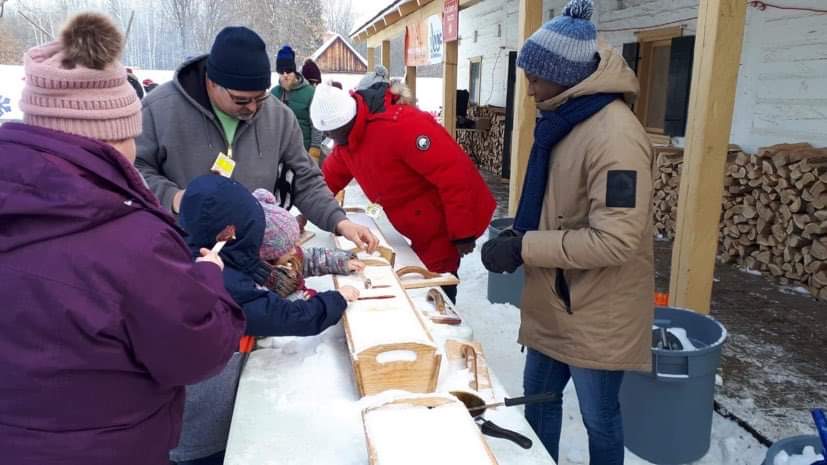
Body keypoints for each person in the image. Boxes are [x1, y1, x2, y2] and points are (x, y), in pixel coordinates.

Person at [0, 13, 245, 465]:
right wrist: (209, 280)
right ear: (110, 136)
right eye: (130, 135)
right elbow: (197, 352)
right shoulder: (133, 240)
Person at [480, 1, 654, 464]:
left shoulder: (616, 137)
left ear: (568, 75)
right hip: (556, 299)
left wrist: (526, 246)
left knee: (600, 418)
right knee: (538, 400)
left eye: (536, 78)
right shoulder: (565, 118)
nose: (530, 88)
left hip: (597, 309)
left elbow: (617, 239)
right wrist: (516, 234)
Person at [171, 174, 359, 465]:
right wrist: (337, 300)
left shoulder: (199, 259)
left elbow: (288, 268)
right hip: (202, 425)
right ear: (237, 233)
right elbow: (288, 316)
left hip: (186, 412)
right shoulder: (225, 283)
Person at [135, 27, 376, 251]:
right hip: (182, 255)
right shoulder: (159, 110)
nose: (252, 108)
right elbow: (132, 171)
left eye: (259, 98)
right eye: (241, 100)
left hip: (254, 258)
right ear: (211, 82)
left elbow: (305, 179)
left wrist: (340, 221)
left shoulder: (279, 117)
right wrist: (173, 198)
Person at [311, 82, 496, 303]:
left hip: (442, 220)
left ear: (348, 121)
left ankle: (444, 323)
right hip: (415, 220)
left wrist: (463, 232)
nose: (331, 137)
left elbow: (454, 173)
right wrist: (307, 208)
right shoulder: (347, 141)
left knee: (436, 283)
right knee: (416, 282)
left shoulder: (403, 125)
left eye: (334, 131)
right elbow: (327, 180)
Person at [253, 189, 364, 300]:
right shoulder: (260, 288)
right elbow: (289, 312)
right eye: (288, 248)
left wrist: (342, 262)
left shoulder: (288, 258)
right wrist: (336, 298)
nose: (294, 250)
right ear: (269, 254)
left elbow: (311, 260)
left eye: (294, 243)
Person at [271, 45, 323, 163]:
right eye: (281, 71)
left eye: (288, 71)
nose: (285, 75)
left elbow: (316, 125)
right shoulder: (273, 94)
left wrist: (314, 151)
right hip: (279, 156)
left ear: (294, 71)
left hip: (304, 155)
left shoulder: (310, 92)